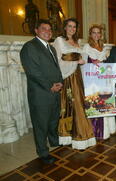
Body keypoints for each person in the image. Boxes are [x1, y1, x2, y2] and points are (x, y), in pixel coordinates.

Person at [20, 19, 63, 164]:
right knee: (41, 124)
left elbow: (56, 68)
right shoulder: (29, 47)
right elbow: (33, 72)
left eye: (50, 29)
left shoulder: (51, 48)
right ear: (36, 30)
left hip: (55, 91)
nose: (48, 31)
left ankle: (54, 141)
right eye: (44, 28)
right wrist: (50, 85)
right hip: (40, 94)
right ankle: (43, 152)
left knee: (53, 120)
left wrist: (60, 82)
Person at [53, 18, 96, 149]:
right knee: (71, 104)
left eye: (74, 27)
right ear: (65, 27)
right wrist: (75, 62)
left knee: (81, 103)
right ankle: (74, 135)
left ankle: (81, 134)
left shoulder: (77, 42)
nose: (72, 29)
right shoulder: (59, 41)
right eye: (70, 26)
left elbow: (83, 58)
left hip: (78, 76)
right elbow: (57, 62)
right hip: (67, 78)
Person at [83, 24, 116, 139]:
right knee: (96, 102)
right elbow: (85, 64)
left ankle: (108, 129)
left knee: (105, 100)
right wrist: (94, 62)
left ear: (101, 35)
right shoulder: (87, 47)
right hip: (93, 80)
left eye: (98, 33)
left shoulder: (104, 47)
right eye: (94, 32)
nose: (96, 35)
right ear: (90, 34)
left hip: (104, 79)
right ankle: (96, 131)